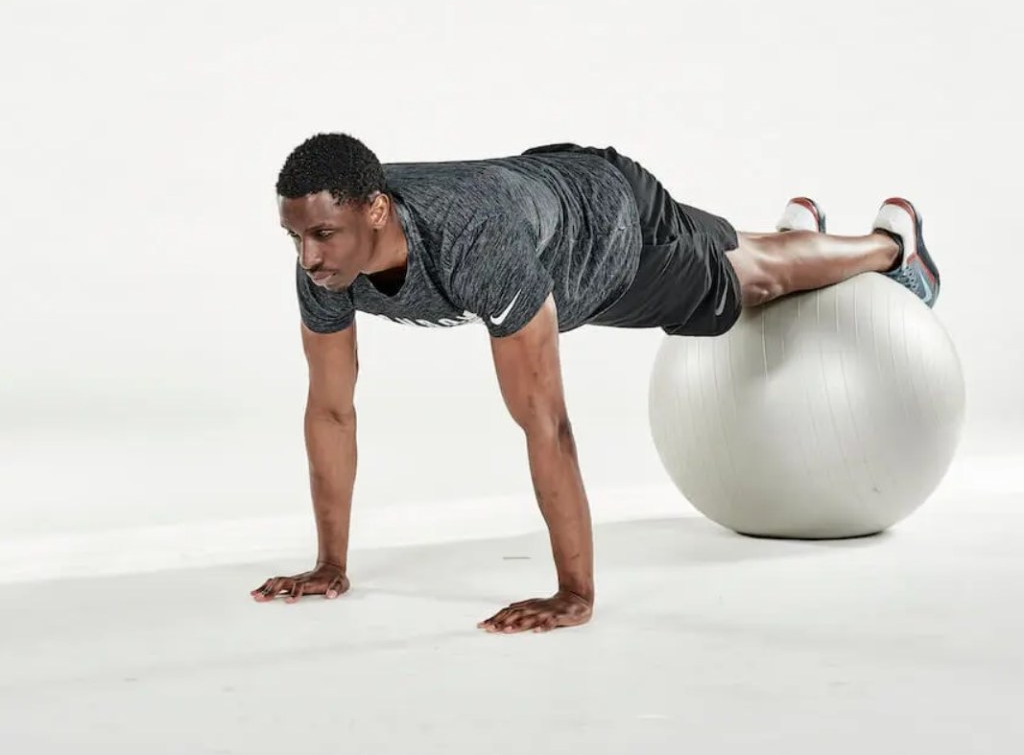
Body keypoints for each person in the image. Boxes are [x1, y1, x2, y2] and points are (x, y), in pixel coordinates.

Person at [252, 133, 941, 633]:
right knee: (738, 253)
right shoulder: (327, 258)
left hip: (611, 236)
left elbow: (544, 420)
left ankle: (892, 248)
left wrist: (572, 592)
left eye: (323, 234)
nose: (309, 257)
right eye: (296, 239)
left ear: (375, 210)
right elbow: (332, 412)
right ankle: (797, 237)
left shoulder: (475, 245)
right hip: (553, 198)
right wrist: (328, 565)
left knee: (750, 282)